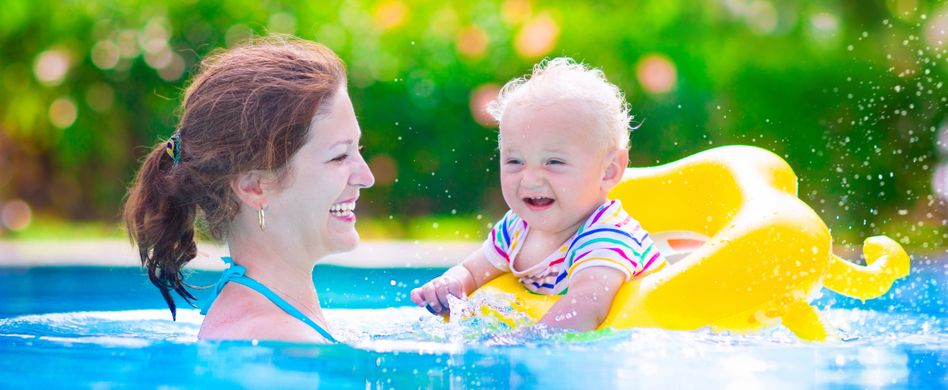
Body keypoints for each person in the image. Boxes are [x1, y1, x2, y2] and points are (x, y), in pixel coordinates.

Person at [124, 35, 375, 343]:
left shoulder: (271, 319)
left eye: (358, 148)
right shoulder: (277, 341)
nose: (367, 176)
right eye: (339, 156)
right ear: (255, 186)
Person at [410, 58, 666, 331]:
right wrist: (449, 284)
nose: (530, 178)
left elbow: (586, 307)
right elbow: (473, 271)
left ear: (608, 171)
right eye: (515, 162)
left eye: (554, 162)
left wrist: (528, 342)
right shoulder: (516, 228)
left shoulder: (608, 235)